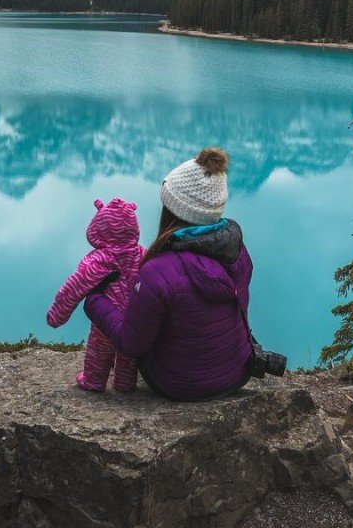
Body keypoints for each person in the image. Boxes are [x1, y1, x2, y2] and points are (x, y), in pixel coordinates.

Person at [84, 148, 253, 401]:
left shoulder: (159, 270)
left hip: (178, 384)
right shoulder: (237, 250)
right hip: (237, 373)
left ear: (172, 211)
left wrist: (95, 300)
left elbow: (131, 344)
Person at [46, 198, 144, 392]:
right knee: (128, 351)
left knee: (99, 348)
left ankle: (93, 381)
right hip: (134, 316)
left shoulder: (99, 260)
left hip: (106, 318)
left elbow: (73, 288)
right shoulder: (142, 253)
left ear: (98, 228)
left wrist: (57, 315)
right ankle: (125, 384)